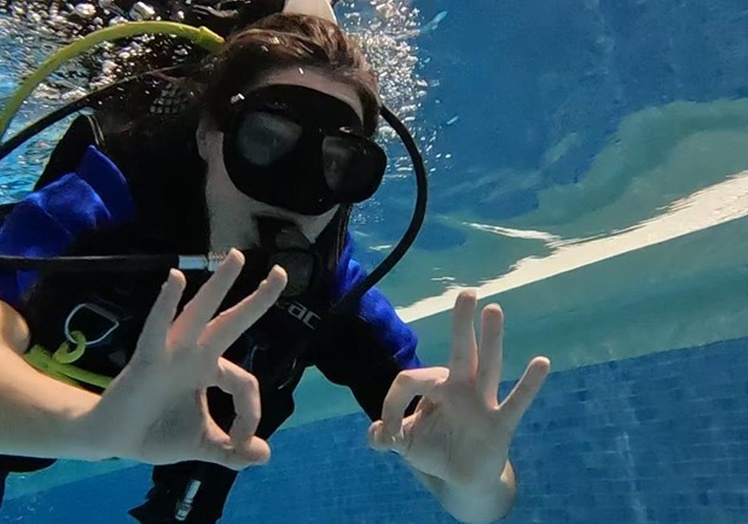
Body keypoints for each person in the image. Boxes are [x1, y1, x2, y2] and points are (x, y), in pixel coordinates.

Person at [0, 1, 551, 522]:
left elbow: (481, 504)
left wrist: (475, 480)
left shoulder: (332, 292)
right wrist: (92, 430)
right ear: (208, 136)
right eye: (265, 140)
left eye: (339, 163)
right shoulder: (103, 204)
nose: (294, 189)